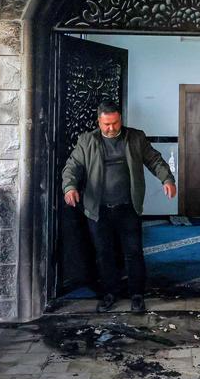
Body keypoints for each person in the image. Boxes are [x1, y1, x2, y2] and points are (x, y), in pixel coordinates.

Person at [62, 101, 176, 313]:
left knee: (133, 252)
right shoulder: (87, 141)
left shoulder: (135, 137)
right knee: (104, 253)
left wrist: (167, 180)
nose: (111, 128)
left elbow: (154, 160)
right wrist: (70, 187)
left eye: (115, 123)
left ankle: (137, 295)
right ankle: (109, 294)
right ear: (99, 121)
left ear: (120, 119)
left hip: (127, 207)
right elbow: (72, 166)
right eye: (107, 124)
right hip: (98, 209)